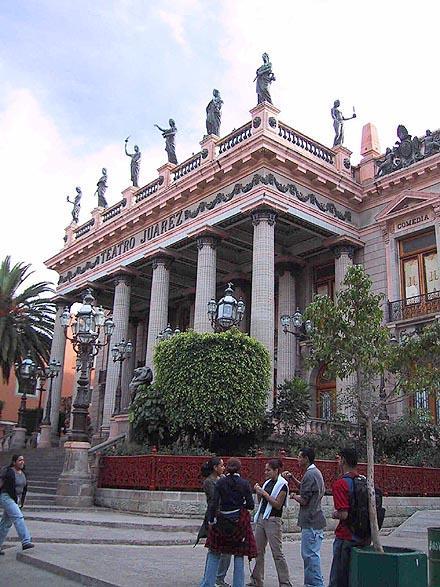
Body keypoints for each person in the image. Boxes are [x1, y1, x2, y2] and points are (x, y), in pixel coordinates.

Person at [201, 457, 257, 587]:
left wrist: (211, 520)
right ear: (240, 468)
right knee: (239, 554)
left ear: (227, 467)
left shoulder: (221, 483)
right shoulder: (244, 483)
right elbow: (250, 505)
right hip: (238, 523)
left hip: (221, 522)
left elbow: (213, 504)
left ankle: (208, 583)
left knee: (214, 551)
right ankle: (239, 584)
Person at [283, 448, 326, 587]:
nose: (297, 459)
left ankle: (315, 584)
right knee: (312, 555)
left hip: (311, 520)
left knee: (310, 556)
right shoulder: (315, 473)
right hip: (316, 519)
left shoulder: (310, 474)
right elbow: (305, 488)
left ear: (306, 458)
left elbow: (305, 499)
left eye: (299, 457)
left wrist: (294, 496)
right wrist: (293, 479)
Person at [248, 458, 292, 587]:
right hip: (262, 516)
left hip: (273, 519)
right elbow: (261, 501)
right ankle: (256, 580)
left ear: (276, 470)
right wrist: (259, 492)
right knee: (258, 550)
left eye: (269, 470)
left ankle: (284, 582)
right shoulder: (267, 482)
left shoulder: (282, 485)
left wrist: (264, 493)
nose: (266, 472)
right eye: (265, 470)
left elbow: (278, 504)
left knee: (277, 552)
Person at [328, 447, 366, 587]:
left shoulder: (341, 484)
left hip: (345, 537)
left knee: (338, 579)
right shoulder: (363, 480)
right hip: (362, 536)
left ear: (343, 460)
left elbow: (343, 514)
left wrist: (334, 514)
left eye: (339, 459)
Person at [198, 457, 232, 587]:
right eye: (222, 466)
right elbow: (215, 500)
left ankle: (219, 576)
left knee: (226, 551)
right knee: (215, 549)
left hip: (225, 516)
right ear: (215, 467)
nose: (223, 468)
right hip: (216, 517)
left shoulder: (221, 479)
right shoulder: (209, 482)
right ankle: (211, 577)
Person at [0, 454, 34, 553]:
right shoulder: (9, 471)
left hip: (15, 499)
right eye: (19, 460)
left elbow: (24, 489)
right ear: (14, 462)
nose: (22, 462)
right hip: (6, 496)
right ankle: (25, 541)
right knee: (18, 516)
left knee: (5, 524)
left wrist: (22, 501)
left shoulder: (23, 473)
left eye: (23, 460)